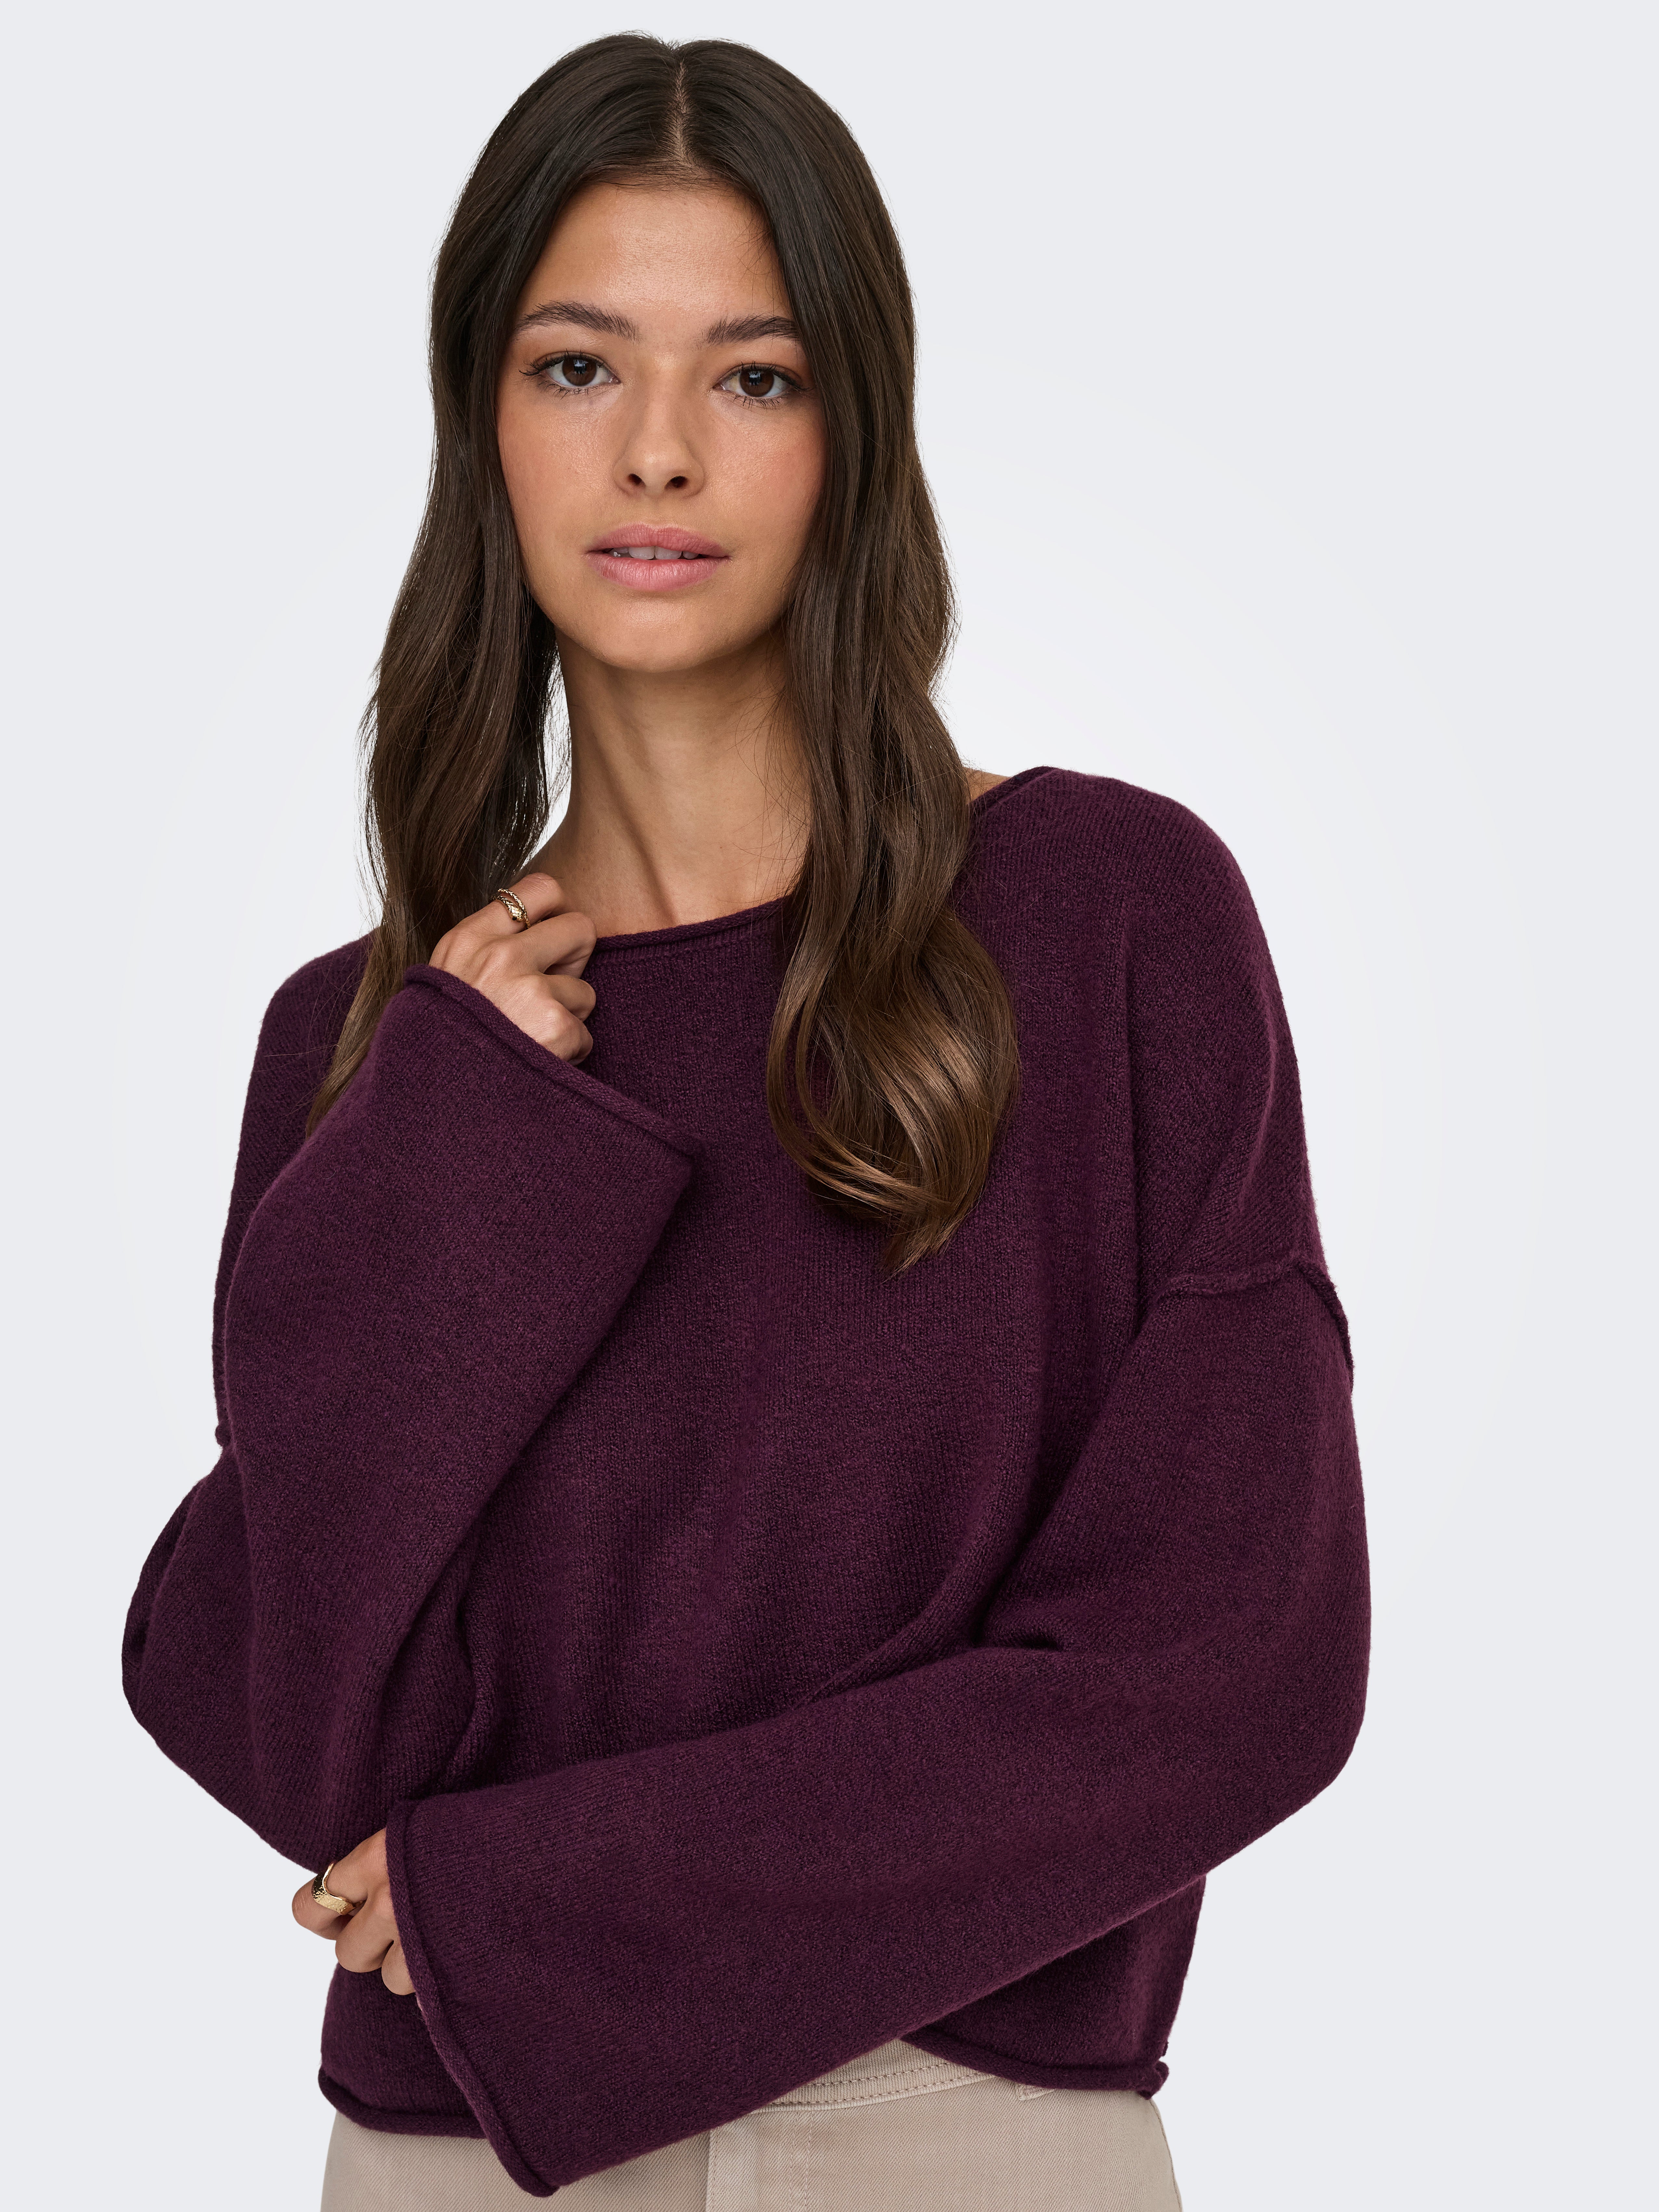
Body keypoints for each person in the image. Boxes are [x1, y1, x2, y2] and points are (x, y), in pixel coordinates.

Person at [123, 33, 1369, 2210]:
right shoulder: (374, 1048)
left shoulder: (1105, 922)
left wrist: (552, 1895)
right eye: (579, 367)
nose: (662, 451)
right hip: (457, 2155)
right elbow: (275, 1697)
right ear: (483, 424)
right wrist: (458, 1157)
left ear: (850, 431)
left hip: (959, 2135)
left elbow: (1225, 1664)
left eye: (755, 376)